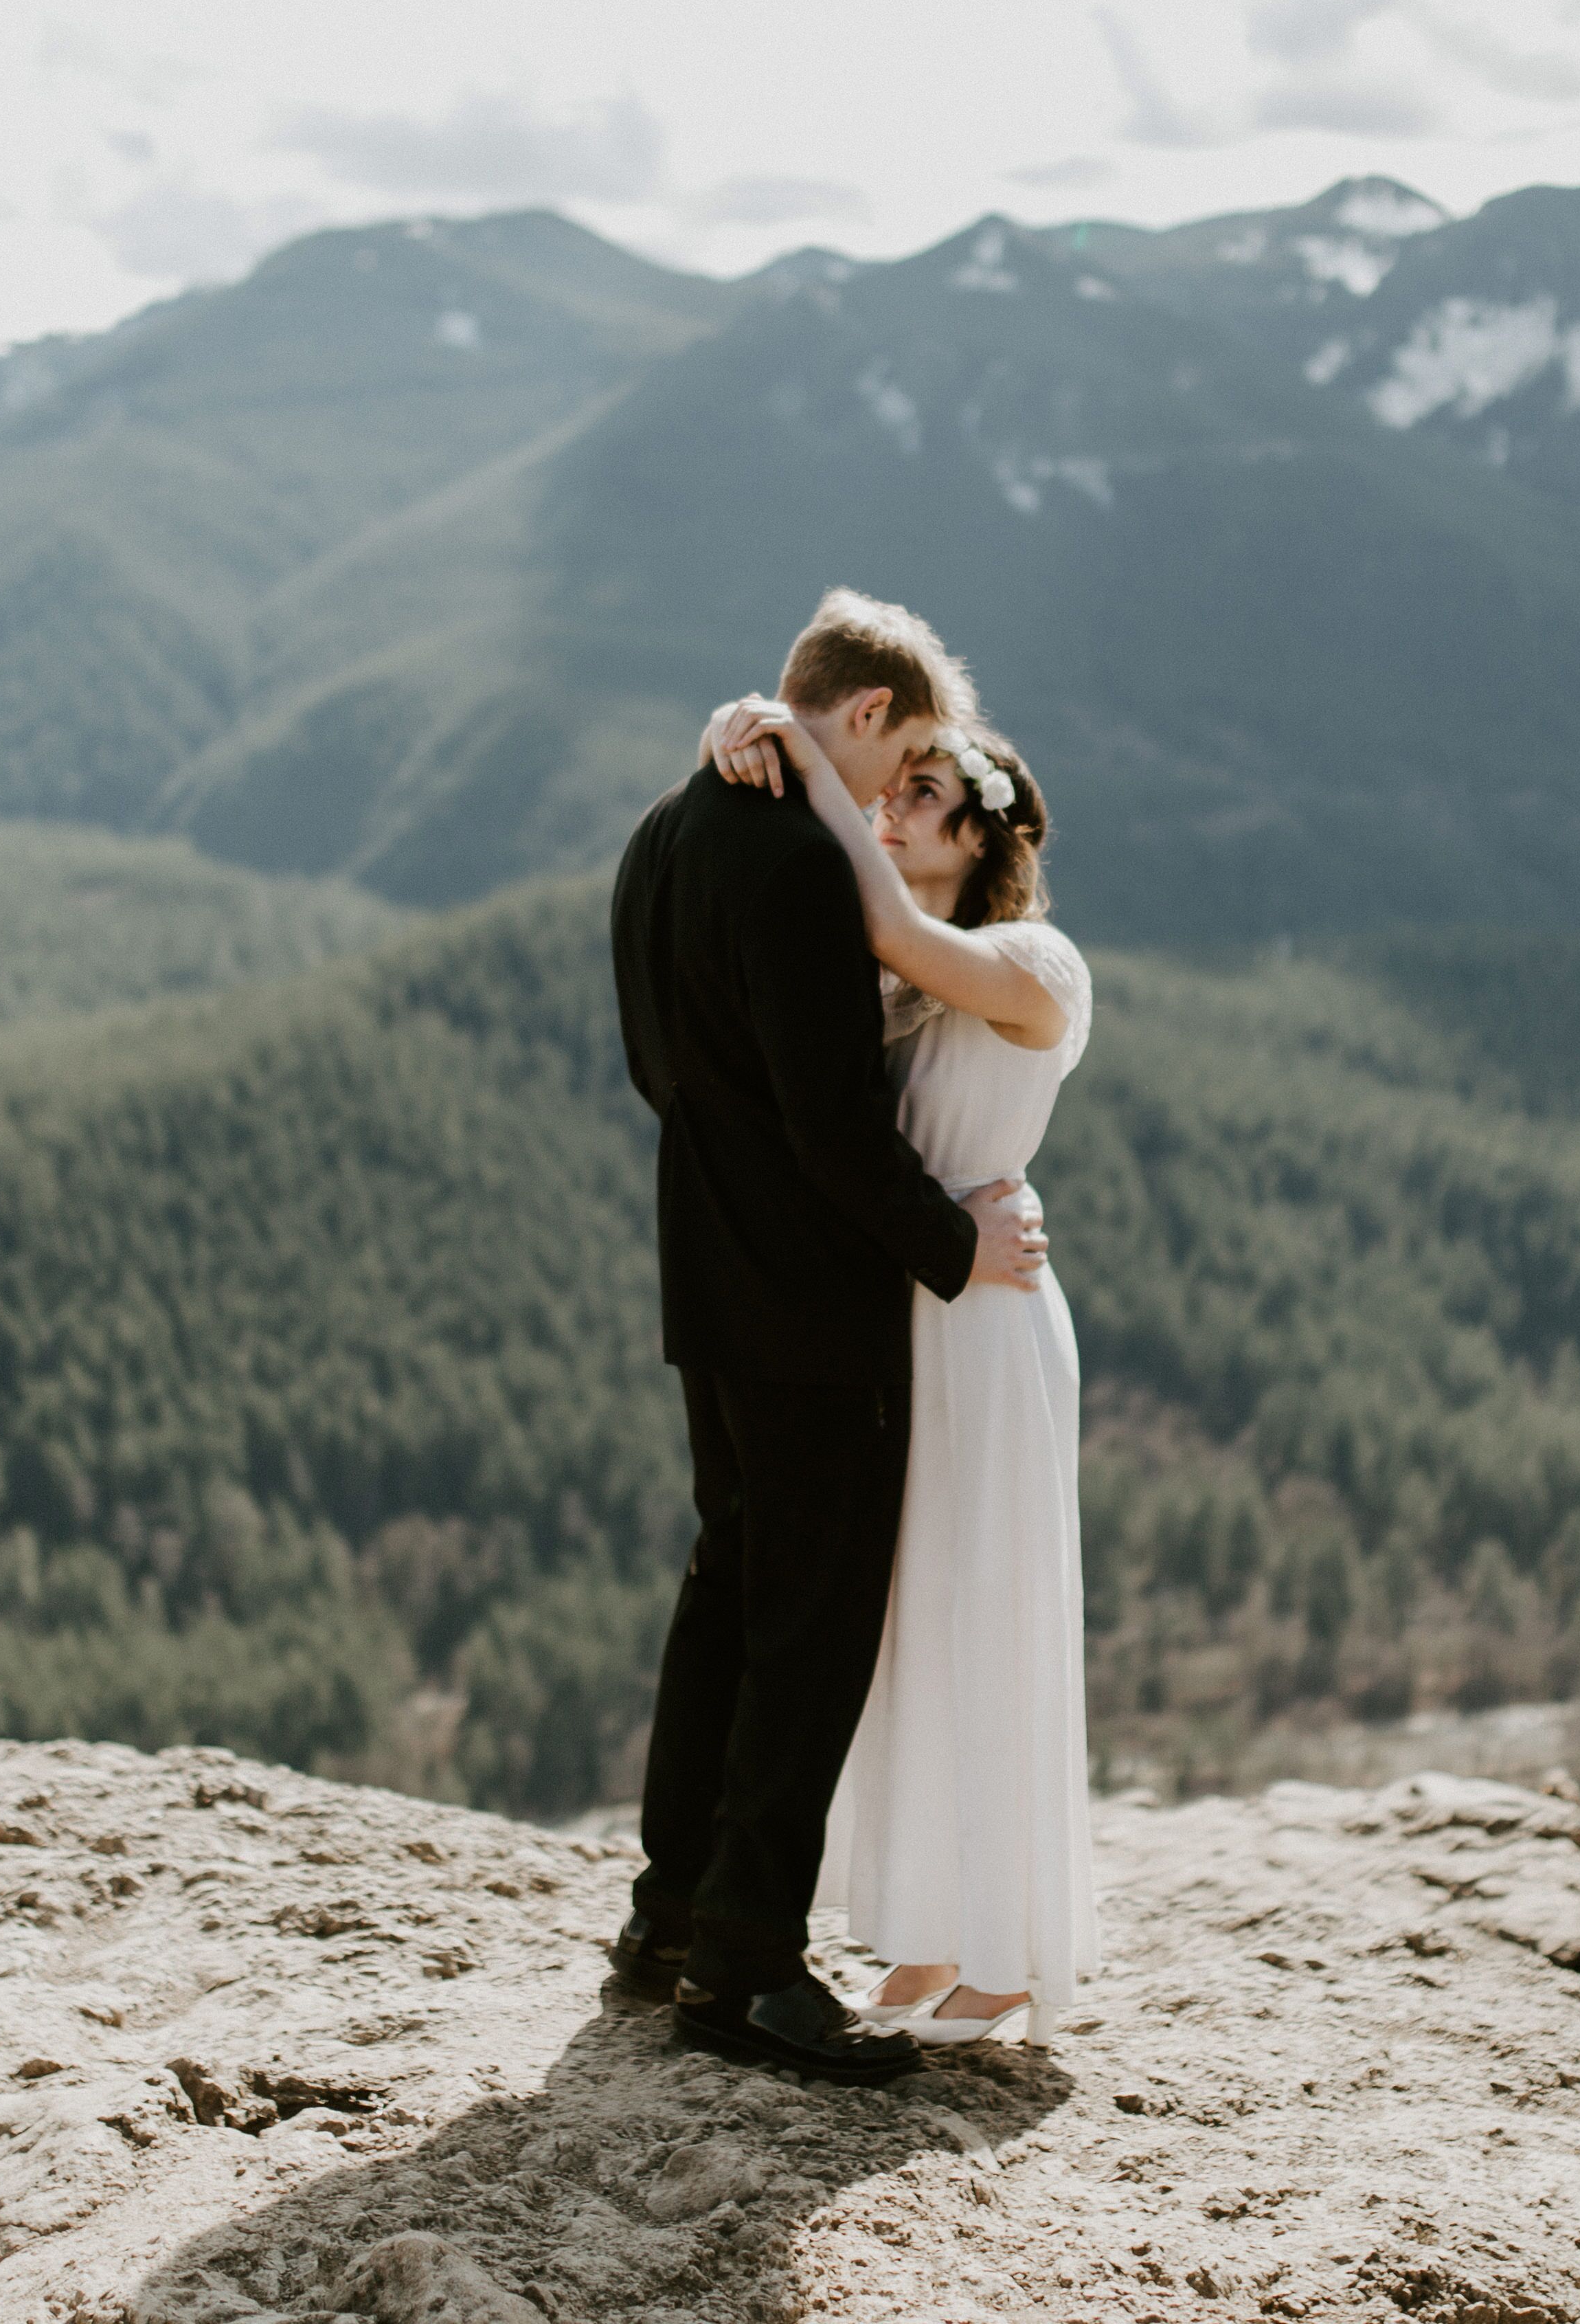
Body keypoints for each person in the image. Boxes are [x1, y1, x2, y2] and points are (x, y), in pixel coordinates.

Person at [605, 588, 1051, 2088]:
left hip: (708, 1283)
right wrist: (951, 1244)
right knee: (807, 1634)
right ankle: (745, 1967)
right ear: (864, 717)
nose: (891, 790)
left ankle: (668, 1920)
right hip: (811, 1307)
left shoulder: (665, 833)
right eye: (902, 754)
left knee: (726, 1591)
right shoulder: (803, 860)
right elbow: (837, 1128)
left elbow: (658, 1064)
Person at [699, 691, 1093, 2050]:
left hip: (988, 1317)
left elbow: (892, 925)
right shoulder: (904, 991)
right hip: (901, 1317)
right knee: (908, 1625)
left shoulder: (1036, 964)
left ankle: (1007, 1953)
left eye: (922, 793)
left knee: (989, 1613)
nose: (892, 801)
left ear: (985, 833)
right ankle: (927, 1935)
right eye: (892, 783)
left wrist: (797, 749)